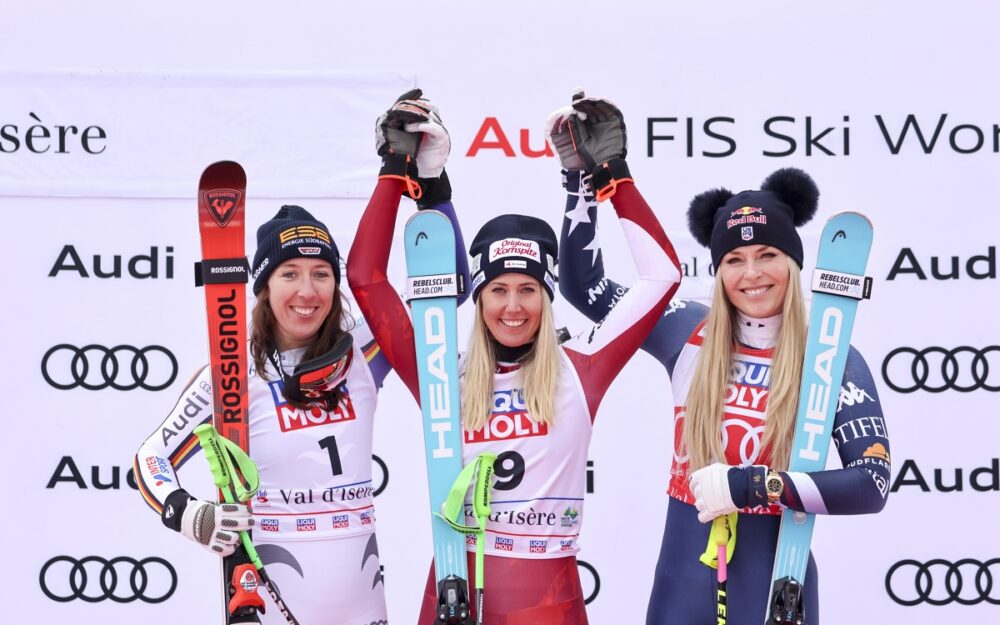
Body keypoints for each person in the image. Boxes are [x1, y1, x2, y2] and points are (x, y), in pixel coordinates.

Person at [347, 93, 681, 624]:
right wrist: (394, 171)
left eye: (528, 290)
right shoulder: (442, 374)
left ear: (547, 298)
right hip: (452, 594)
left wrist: (613, 175)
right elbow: (366, 278)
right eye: (498, 290)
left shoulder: (581, 367)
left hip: (548, 602)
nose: (512, 306)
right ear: (479, 299)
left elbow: (662, 277)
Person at [555, 159, 891, 625]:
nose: (751, 273)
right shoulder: (685, 329)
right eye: (734, 260)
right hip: (680, 586)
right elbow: (583, 287)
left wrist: (752, 485)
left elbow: (871, 483)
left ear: (792, 263)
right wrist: (586, 179)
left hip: (773, 586)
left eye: (767, 255)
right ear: (718, 272)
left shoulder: (830, 355)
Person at [134, 201, 466, 624]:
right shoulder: (233, 373)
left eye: (321, 274)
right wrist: (189, 514)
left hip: (365, 606)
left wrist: (432, 190)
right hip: (274, 602)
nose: (307, 292)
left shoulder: (362, 350)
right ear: (264, 286)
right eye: (290, 274)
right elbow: (151, 457)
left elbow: (444, 287)